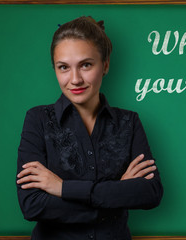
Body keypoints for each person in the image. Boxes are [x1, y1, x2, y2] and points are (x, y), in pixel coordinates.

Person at [16, 16, 163, 240]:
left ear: (105, 65)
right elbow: (32, 206)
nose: (75, 79)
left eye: (86, 65)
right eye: (63, 67)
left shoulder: (129, 122)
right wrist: (117, 193)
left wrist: (63, 188)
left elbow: (150, 193)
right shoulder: (37, 119)